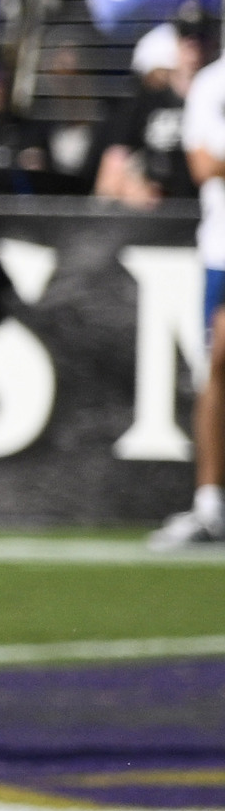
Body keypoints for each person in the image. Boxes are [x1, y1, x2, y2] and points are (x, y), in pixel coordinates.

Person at [152, 35, 225, 548]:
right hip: (221, 250)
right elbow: (203, 164)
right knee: (217, 363)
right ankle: (210, 503)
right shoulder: (212, 83)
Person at [96, 20, 206, 208]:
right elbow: (114, 165)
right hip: (153, 218)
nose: (193, 48)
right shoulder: (144, 103)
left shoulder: (211, 99)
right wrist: (132, 185)